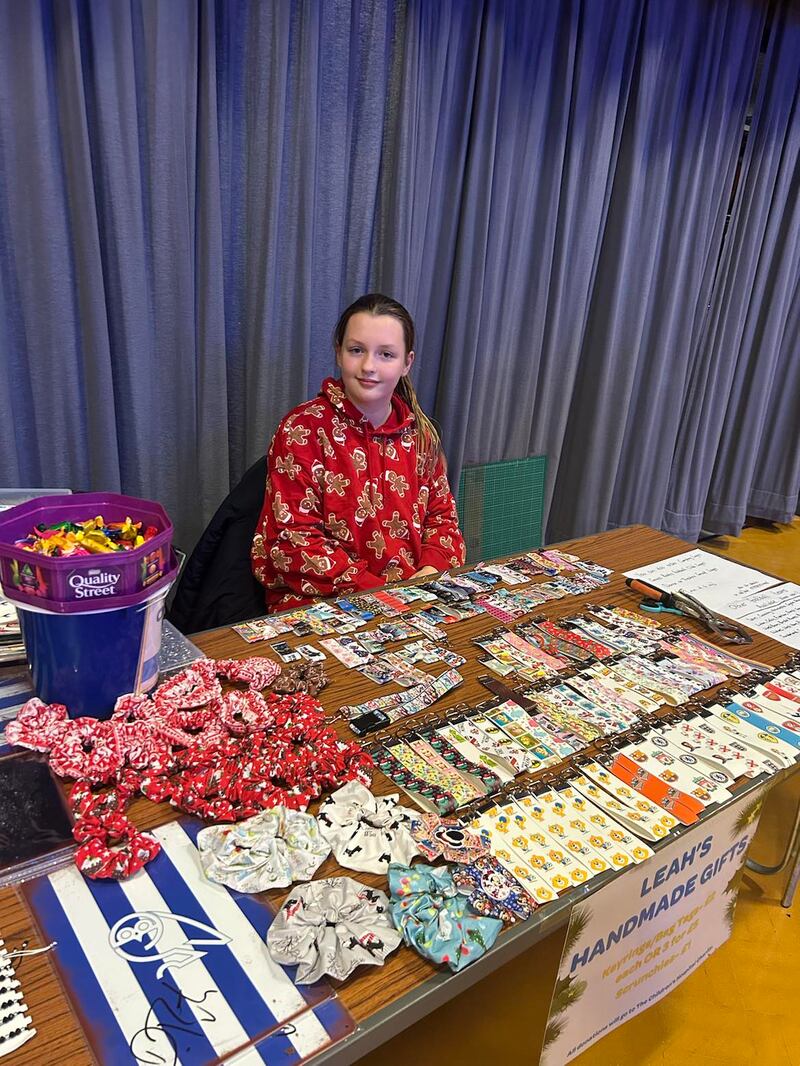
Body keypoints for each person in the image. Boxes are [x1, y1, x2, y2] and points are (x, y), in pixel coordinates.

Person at [251, 293, 466, 612]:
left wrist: (428, 576)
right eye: (356, 350)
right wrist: (383, 594)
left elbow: (443, 521)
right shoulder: (303, 429)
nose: (368, 366)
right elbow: (294, 541)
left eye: (386, 355)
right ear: (338, 353)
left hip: (413, 597)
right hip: (322, 603)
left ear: (407, 363)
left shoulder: (421, 436)